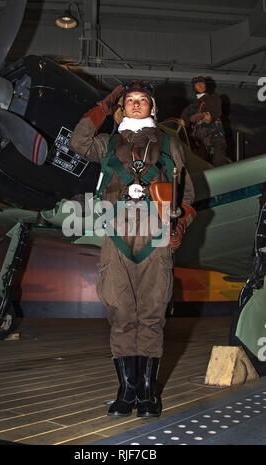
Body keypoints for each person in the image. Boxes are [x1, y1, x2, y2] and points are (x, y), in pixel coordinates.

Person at [69, 81, 196, 418]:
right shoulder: (108, 143)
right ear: (121, 108)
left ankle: (147, 392)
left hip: (156, 235)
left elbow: (187, 196)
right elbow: (77, 141)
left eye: (142, 100)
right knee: (121, 312)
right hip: (117, 233)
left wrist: (180, 225)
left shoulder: (169, 143)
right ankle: (126, 390)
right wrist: (104, 102)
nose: (136, 105)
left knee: (152, 313)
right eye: (129, 101)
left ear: (152, 107)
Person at [179, 76, 228, 166]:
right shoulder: (192, 106)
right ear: (194, 87)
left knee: (218, 161)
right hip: (200, 141)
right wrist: (182, 122)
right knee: (199, 164)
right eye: (197, 84)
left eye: (202, 84)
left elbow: (212, 114)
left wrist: (202, 116)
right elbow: (183, 120)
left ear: (206, 85)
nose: (200, 86)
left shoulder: (213, 98)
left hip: (215, 137)